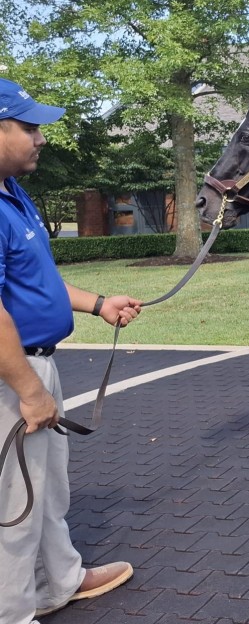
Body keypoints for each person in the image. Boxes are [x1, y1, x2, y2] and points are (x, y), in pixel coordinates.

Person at [0, 78, 143, 623]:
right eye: (30, 126)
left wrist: (98, 303)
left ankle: (59, 581)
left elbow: (37, 281)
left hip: (36, 365)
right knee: (16, 507)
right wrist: (30, 390)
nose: (41, 138)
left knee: (47, 489)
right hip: (14, 376)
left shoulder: (14, 193)